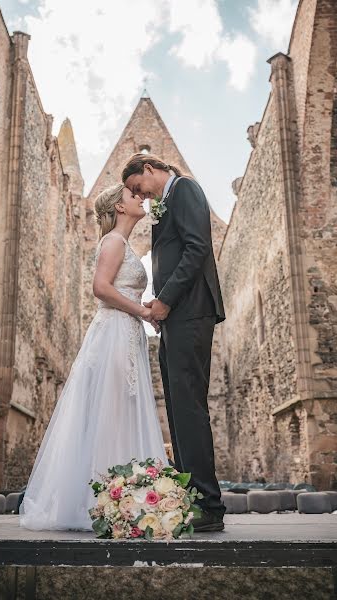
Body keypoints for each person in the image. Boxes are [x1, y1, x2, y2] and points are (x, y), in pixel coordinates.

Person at [19, 183, 168, 531]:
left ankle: (123, 499)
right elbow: (101, 288)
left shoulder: (122, 243)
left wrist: (142, 310)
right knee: (111, 412)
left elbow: (119, 289)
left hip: (126, 331)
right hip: (115, 333)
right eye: (133, 195)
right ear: (118, 207)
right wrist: (143, 313)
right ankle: (103, 502)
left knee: (121, 411)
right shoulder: (114, 241)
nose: (141, 198)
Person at [122, 154, 226, 531]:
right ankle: (190, 498)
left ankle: (208, 506)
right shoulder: (168, 201)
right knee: (179, 410)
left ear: (149, 169)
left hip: (191, 311)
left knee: (189, 409)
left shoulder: (185, 189)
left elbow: (197, 249)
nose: (139, 195)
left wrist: (164, 300)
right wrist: (160, 300)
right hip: (175, 316)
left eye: (138, 187)